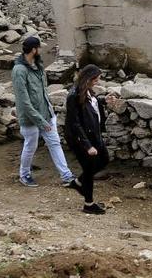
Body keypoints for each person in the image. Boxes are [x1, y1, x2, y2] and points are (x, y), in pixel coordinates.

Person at [12, 36, 76, 188]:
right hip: (31, 119)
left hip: (46, 113)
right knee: (30, 146)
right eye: (39, 48)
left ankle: (67, 176)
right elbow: (23, 101)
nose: (41, 50)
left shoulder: (38, 65)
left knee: (55, 143)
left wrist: (48, 113)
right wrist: (40, 121)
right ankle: (25, 174)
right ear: (34, 50)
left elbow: (42, 91)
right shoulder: (19, 71)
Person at [63, 64, 116, 215]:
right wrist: (87, 146)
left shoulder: (87, 91)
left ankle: (78, 182)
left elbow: (91, 104)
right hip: (80, 138)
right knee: (89, 168)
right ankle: (89, 203)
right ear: (89, 78)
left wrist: (104, 101)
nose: (98, 82)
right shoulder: (73, 96)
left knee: (104, 159)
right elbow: (74, 123)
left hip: (93, 134)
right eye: (96, 79)